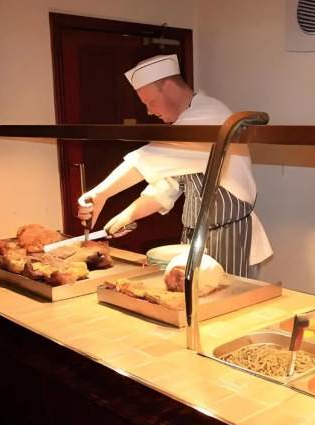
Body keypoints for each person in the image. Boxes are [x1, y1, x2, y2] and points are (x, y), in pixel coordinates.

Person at [78, 54, 272, 278]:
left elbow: (149, 157)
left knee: (227, 298)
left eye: (149, 102)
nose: (149, 111)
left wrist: (100, 194)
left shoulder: (210, 114)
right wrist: (129, 215)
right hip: (196, 238)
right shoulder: (186, 123)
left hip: (231, 236)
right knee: (191, 295)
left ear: (169, 86)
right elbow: (167, 186)